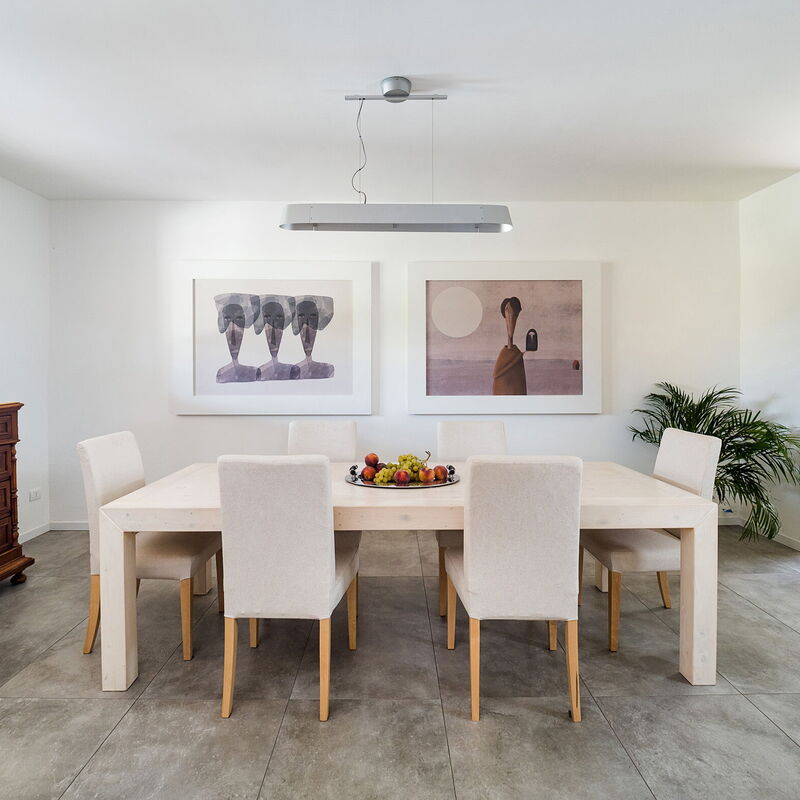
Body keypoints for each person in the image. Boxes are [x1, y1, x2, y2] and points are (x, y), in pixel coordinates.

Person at [214, 293, 259, 383]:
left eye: (239, 319)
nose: (233, 329)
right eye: (227, 318)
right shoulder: (222, 373)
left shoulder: (254, 372)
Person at [254, 295, 300, 380]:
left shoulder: (293, 370)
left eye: (279, 317)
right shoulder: (260, 372)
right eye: (267, 317)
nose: (273, 326)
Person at [292, 295, 335, 379]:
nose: (307, 331)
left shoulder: (327, 369)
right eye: (301, 316)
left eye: (313, 316)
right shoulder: (294, 370)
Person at [491, 296, 527, 395]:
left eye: (513, 314)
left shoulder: (516, 356)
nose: (510, 317)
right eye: (507, 311)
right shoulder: (506, 356)